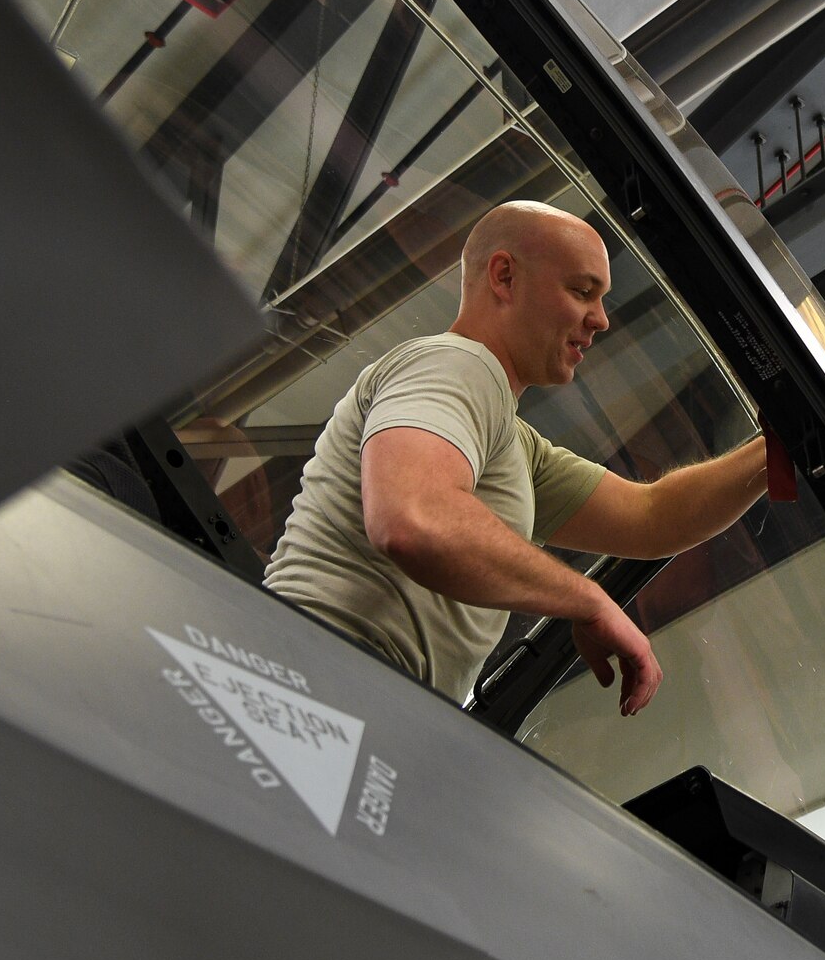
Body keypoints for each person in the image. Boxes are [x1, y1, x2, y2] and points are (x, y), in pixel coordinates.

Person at [264, 201, 769, 715]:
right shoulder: (457, 364)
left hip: (345, 694)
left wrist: (778, 449)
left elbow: (652, 517)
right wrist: (588, 598)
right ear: (504, 277)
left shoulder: (511, 444)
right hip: (308, 678)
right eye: (581, 291)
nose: (601, 319)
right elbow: (414, 518)